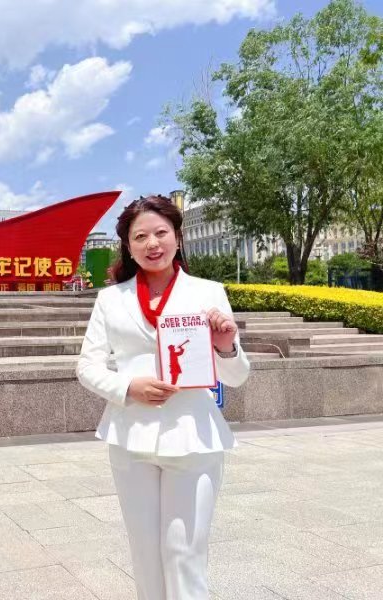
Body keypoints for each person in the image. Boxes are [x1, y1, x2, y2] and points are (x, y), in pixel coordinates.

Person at [76, 195, 250, 600]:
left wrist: (225, 345)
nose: (152, 244)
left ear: (177, 236)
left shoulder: (208, 292)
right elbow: (87, 366)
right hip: (130, 436)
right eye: (140, 237)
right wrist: (127, 388)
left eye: (160, 233)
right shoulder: (110, 299)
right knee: (145, 552)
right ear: (128, 245)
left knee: (184, 552)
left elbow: (237, 376)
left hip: (193, 436)